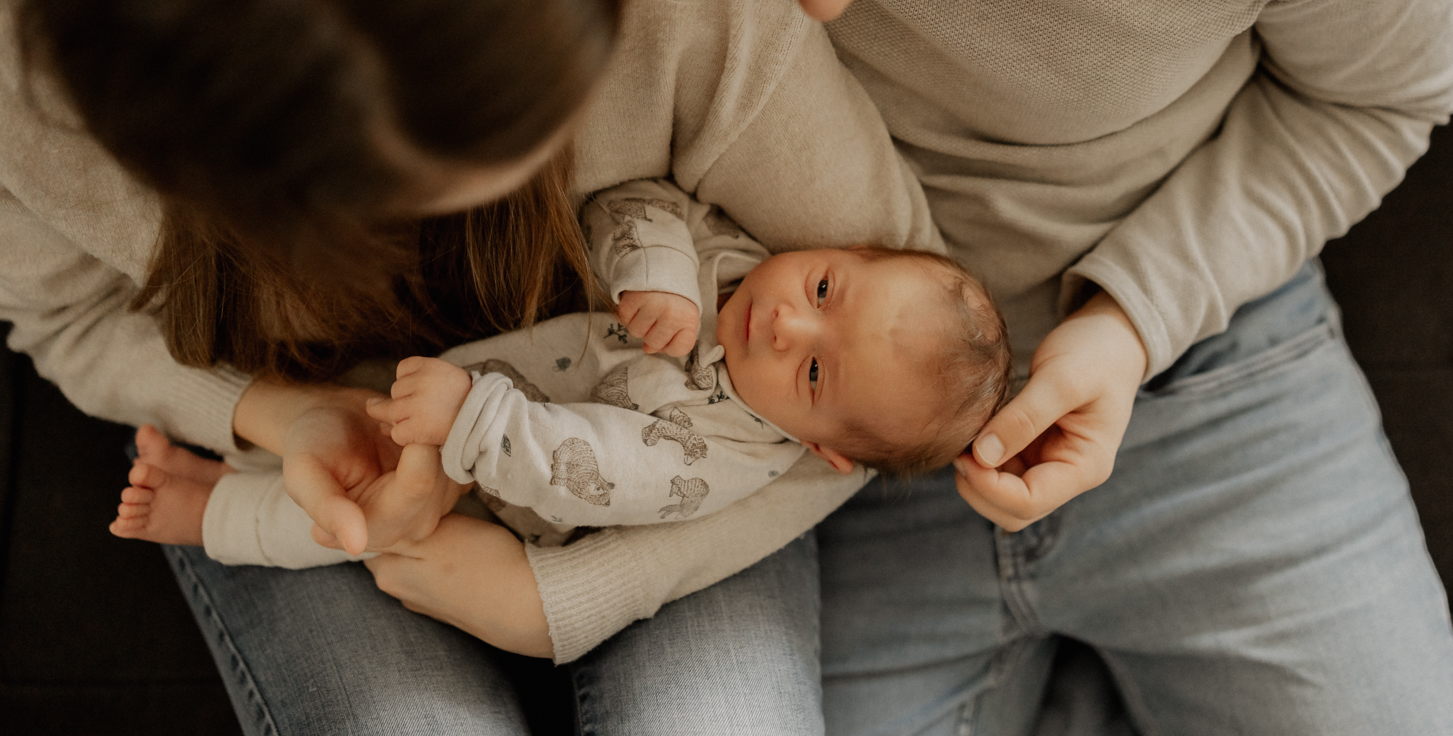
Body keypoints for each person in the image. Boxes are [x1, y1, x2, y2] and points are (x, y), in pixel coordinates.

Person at [520, 0, 1453, 732]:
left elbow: (1372, 104)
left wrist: (1130, 323)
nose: (817, 4)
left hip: (1204, 372)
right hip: (805, 433)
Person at [0, 0, 945, 730]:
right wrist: (279, 412)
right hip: (303, 468)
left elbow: (881, 388)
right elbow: (66, 311)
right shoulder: (31, 74)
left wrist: (561, 596)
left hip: (670, 441)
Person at [109, 178, 1008, 561]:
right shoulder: (739, 265)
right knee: (342, 420)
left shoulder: (724, 452)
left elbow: (597, 468)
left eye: (814, 374)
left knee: (350, 524)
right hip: (476, 366)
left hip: (494, 486)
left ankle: (210, 513)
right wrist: (654, 268)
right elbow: (641, 200)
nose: (784, 323)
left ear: (827, 452)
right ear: (840, 251)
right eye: (824, 287)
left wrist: (473, 421)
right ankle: (239, 447)